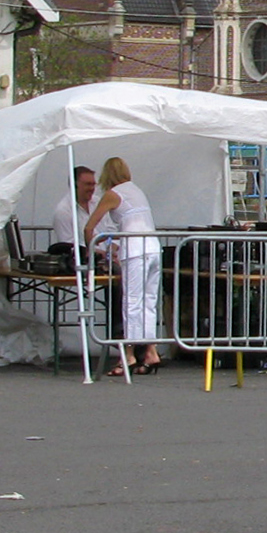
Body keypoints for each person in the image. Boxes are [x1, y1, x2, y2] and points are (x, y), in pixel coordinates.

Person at [82, 156, 162, 377]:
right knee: (149, 301)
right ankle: (151, 350)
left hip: (135, 248)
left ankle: (128, 354)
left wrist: (93, 248)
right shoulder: (136, 190)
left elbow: (90, 226)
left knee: (132, 301)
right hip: (154, 246)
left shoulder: (112, 194)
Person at [51, 167, 98, 255]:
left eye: (93, 184)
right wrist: (97, 252)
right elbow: (68, 246)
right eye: (88, 184)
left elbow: (112, 229)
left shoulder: (98, 203)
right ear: (74, 185)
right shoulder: (63, 211)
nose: (92, 188)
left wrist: (112, 250)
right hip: (83, 263)